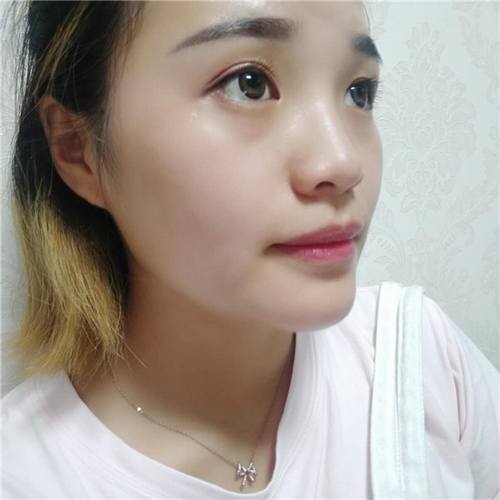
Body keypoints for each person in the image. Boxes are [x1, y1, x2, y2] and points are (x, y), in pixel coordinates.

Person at [1, 1, 498, 498]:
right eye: (249, 84)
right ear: (77, 149)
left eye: (358, 92)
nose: (343, 162)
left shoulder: (420, 365)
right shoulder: (24, 476)